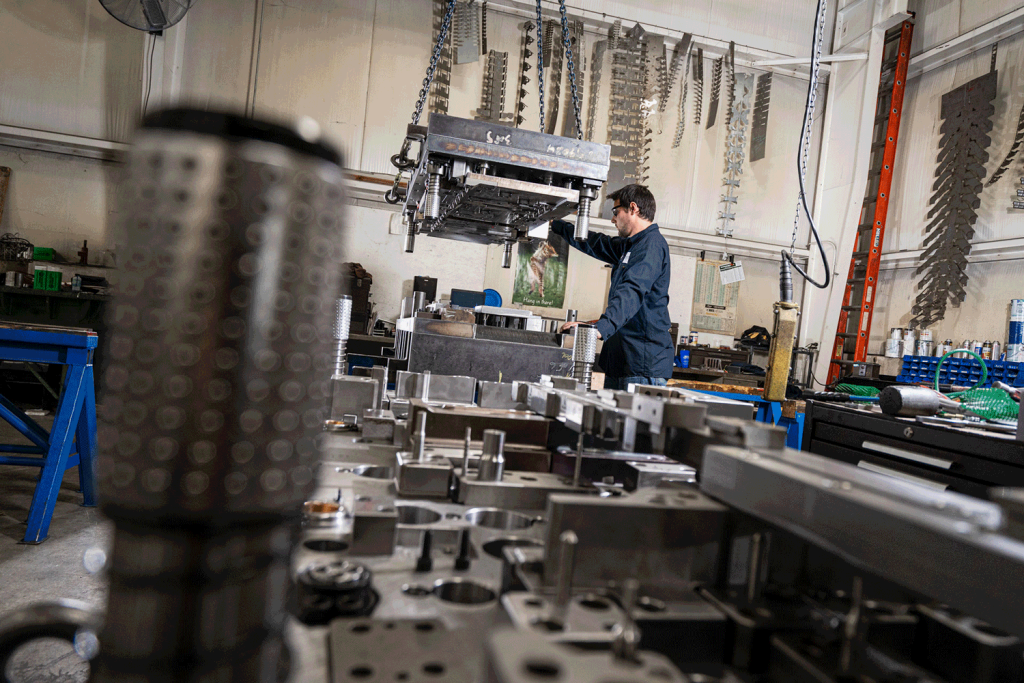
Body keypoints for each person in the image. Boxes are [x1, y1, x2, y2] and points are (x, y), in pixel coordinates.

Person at [550, 184, 673, 390]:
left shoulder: (651, 246)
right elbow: (596, 243)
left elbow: (632, 290)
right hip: (622, 362)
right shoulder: (631, 246)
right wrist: (556, 225)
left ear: (633, 208)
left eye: (616, 212)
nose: (613, 219)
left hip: (641, 365)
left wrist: (600, 328)